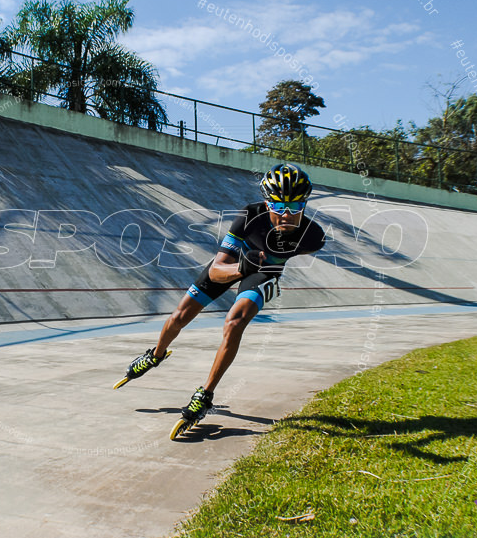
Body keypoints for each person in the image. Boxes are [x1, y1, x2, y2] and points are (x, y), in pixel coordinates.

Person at [115, 163, 326, 428]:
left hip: (264, 272)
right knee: (179, 316)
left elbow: (291, 255)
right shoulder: (250, 216)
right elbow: (216, 271)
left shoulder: (313, 237)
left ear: (305, 205)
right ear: (266, 203)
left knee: (235, 322)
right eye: (278, 207)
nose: (286, 215)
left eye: (294, 208)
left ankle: (205, 395)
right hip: (234, 263)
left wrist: (271, 273)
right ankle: (156, 355)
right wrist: (241, 267)